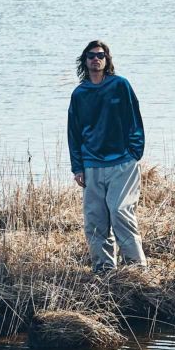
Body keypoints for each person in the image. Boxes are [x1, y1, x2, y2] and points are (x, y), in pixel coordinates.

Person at [67, 40, 147, 272]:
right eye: (91, 55)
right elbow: (74, 133)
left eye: (100, 55)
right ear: (85, 60)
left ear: (106, 59)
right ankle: (104, 270)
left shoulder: (120, 85)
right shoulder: (80, 94)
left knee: (120, 211)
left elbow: (135, 120)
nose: (96, 59)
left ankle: (136, 268)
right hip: (91, 165)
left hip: (122, 162)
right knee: (95, 219)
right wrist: (77, 167)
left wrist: (134, 152)